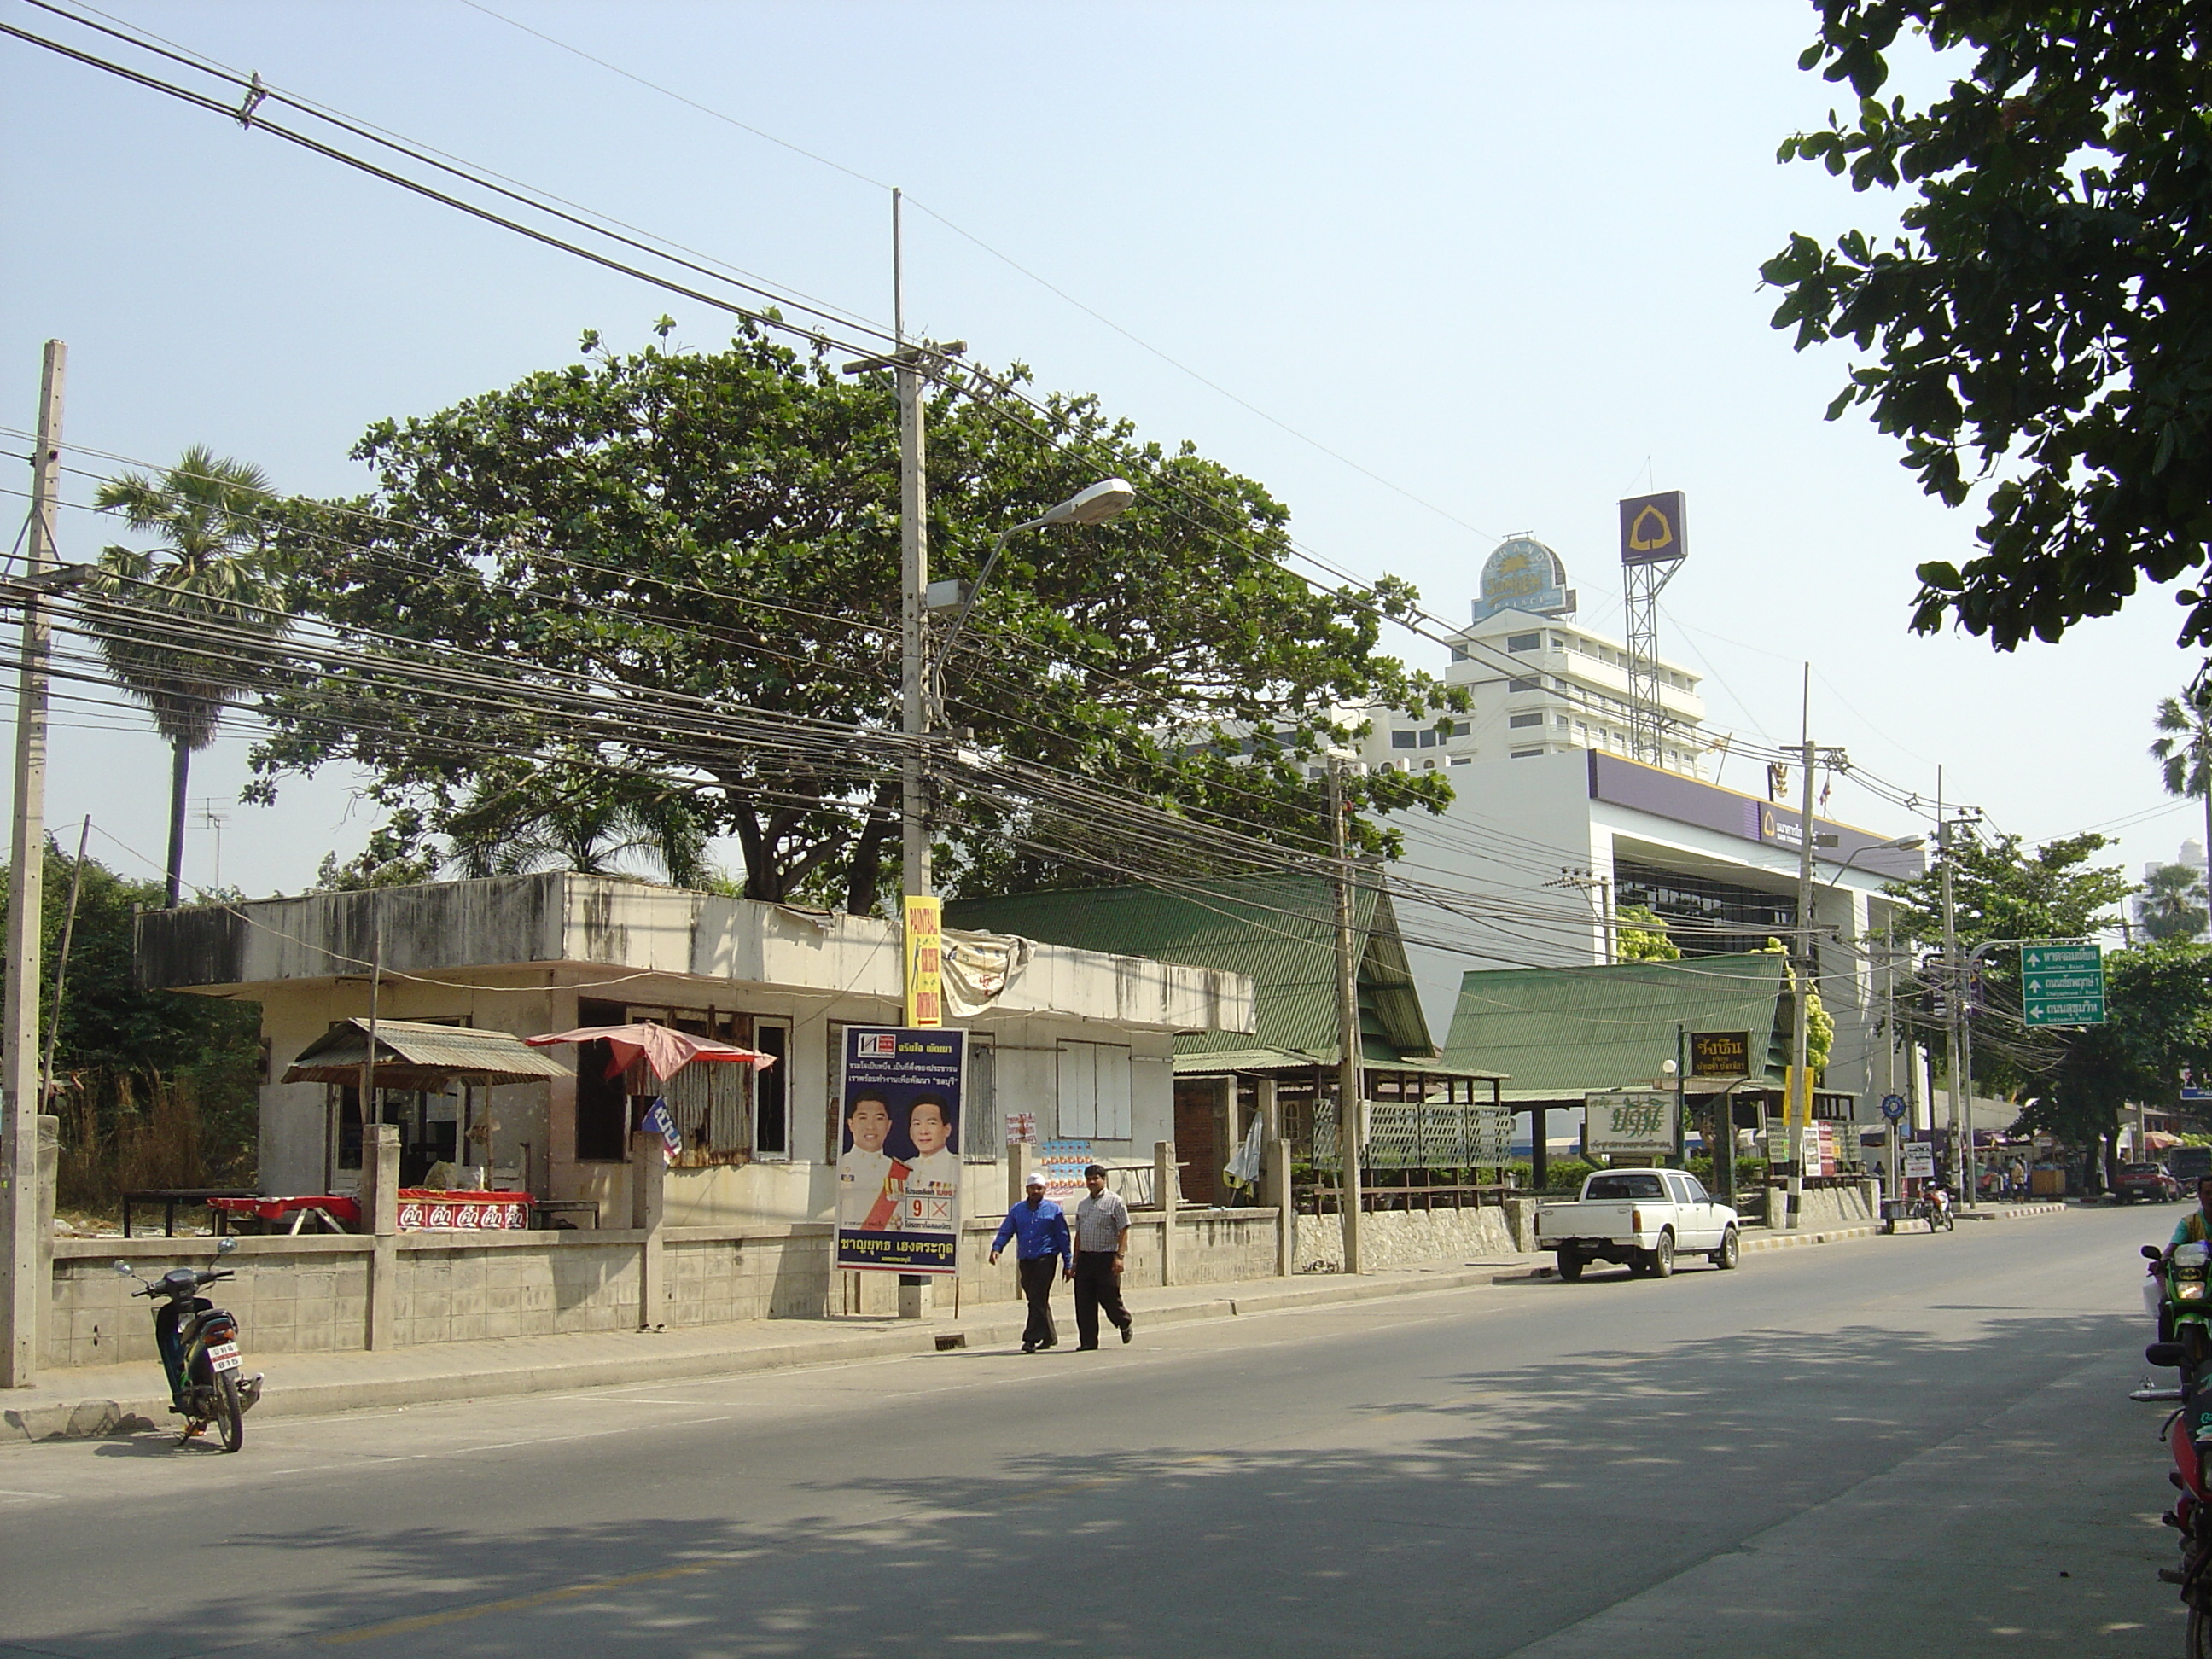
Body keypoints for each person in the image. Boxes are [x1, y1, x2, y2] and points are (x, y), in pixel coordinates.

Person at [990, 1170, 1070, 1353]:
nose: (1036, 1191)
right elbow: (1006, 1230)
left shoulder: (1054, 1211)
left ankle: (1030, 1339)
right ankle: (1049, 1335)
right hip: (1026, 1259)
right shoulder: (1017, 1210)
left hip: (1046, 1257)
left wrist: (1068, 1262)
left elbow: (1063, 1237)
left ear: (1045, 1190)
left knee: (1037, 1296)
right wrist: (997, 1248)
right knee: (1035, 1298)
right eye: (1033, 1188)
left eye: (1040, 1188)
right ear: (1027, 1189)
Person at [1070, 1163, 1133, 1350]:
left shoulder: (1115, 1202)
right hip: (1086, 1259)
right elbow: (1079, 1234)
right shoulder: (1083, 1205)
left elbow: (1123, 1229)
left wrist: (1119, 1256)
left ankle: (1123, 1321)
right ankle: (1088, 1341)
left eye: (1095, 1178)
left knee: (1109, 1297)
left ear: (1103, 1180)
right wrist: (1075, 1262)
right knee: (1084, 1301)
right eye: (1088, 1179)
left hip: (1106, 1258)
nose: (1091, 1182)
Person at [837, 1092, 905, 1231]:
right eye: (863, 1118)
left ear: (889, 1125)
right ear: (850, 1124)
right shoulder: (840, 1165)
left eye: (879, 1119)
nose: (871, 1127)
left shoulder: (900, 1171)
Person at [899, 1096, 960, 1234]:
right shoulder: (903, 1169)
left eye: (931, 1123)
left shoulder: (956, 1167)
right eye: (917, 1124)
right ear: (910, 1132)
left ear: (947, 1129)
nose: (923, 1131)